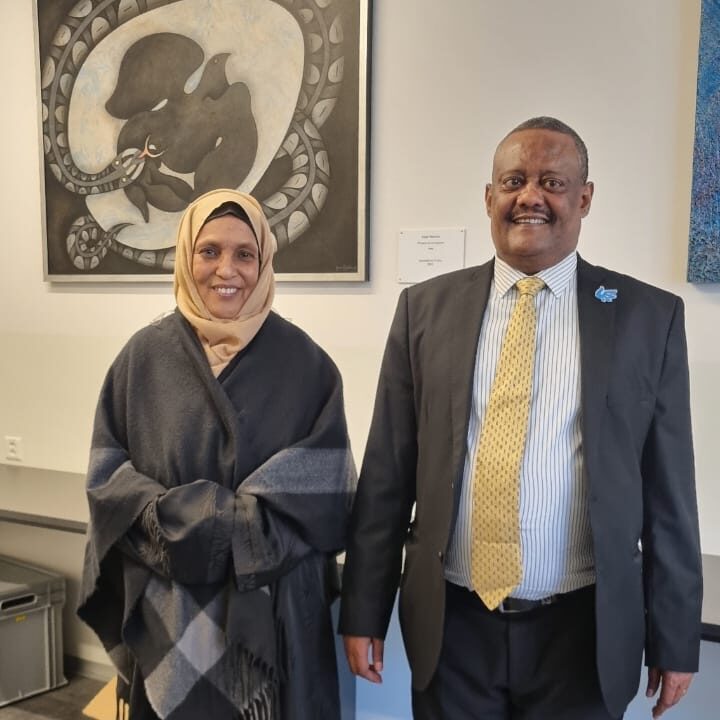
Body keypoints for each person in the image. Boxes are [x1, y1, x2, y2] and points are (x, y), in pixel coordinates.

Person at [339, 117, 702, 719]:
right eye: (513, 181)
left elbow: (670, 493)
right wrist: (363, 611)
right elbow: (387, 478)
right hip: (454, 629)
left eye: (552, 182)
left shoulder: (646, 318)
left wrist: (675, 636)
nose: (530, 196)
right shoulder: (424, 310)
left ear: (584, 198)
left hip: (582, 632)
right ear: (489, 197)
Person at [78, 189, 356, 720]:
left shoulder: (308, 365)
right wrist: (204, 527)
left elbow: (328, 488)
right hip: (167, 605)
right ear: (186, 257)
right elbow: (108, 477)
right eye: (209, 251)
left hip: (275, 619)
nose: (226, 270)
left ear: (264, 260)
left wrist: (199, 525)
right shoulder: (141, 359)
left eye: (244, 254)